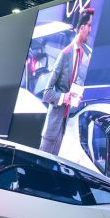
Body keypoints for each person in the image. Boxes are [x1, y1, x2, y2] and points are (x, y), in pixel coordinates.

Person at [39, 8, 94, 155]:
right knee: (42, 164)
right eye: (89, 26)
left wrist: (76, 95)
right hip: (52, 127)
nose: (90, 30)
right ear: (81, 28)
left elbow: (72, 84)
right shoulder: (65, 54)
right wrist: (64, 97)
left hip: (63, 124)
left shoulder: (81, 54)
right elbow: (46, 93)